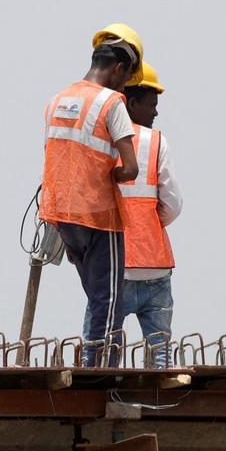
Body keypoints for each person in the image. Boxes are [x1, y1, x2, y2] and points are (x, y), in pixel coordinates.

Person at [43, 23, 140, 367]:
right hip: (99, 215)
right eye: (127, 77)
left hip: (62, 216)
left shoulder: (58, 100)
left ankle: (93, 361)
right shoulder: (112, 102)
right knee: (109, 300)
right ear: (118, 69)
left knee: (95, 296)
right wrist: (110, 173)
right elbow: (130, 168)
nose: (125, 85)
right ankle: (100, 370)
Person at [116, 62, 182, 368]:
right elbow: (173, 202)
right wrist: (152, 225)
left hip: (116, 266)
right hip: (155, 267)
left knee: (104, 352)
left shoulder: (104, 142)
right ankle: (160, 404)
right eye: (151, 104)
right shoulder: (156, 142)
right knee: (160, 358)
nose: (155, 112)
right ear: (131, 103)